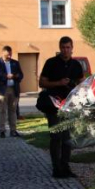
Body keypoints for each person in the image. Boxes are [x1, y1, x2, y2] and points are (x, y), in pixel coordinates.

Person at [39, 37, 84, 178]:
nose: (66, 50)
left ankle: (65, 166)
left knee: (67, 138)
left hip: (70, 105)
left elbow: (81, 83)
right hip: (53, 105)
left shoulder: (76, 64)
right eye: (63, 47)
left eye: (68, 47)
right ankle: (56, 168)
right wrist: (58, 83)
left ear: (72, 48)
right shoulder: (51, 63)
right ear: (59, 48)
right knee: (56, 137)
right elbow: (42, 82)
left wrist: (77, 87)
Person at [0, 45, 23, 138]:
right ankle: (2, 131)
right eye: (7, 55)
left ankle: (13, 130)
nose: (9, 56)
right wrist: (5, 76)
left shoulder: (15, 63)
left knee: (13, 110)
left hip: (13, 88)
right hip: (2, 89)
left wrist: (15, 76)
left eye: (10, 54)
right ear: (3, 53)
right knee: (2, 110)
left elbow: (21, 74)